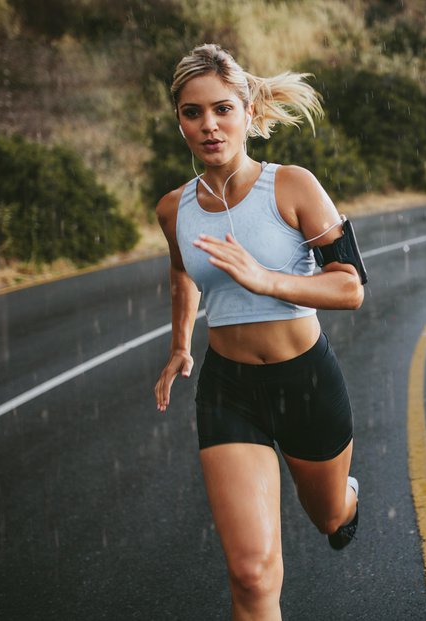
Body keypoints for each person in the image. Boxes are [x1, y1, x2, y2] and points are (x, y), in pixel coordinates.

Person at [153, 43, 363, 621]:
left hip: (306, 382)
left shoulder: (293, 186)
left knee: (327, 517)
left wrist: (267, 279)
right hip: (229, 392)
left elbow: (350, 287)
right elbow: (181, 270)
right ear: (180, 121)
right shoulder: (174, 209)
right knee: (250, 572)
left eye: (222, 109)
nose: (209, 125)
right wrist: (179, 344)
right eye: (193, 113)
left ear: (248, 111)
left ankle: (348, 502)